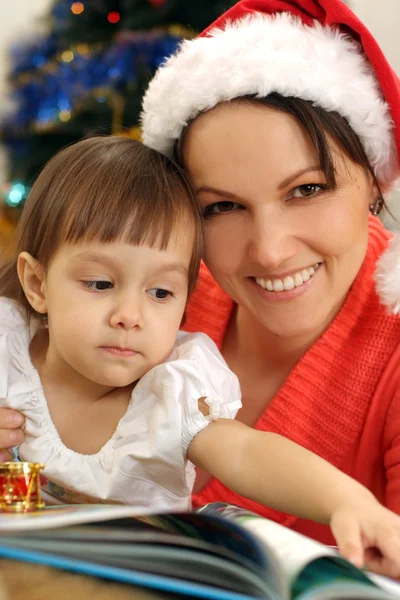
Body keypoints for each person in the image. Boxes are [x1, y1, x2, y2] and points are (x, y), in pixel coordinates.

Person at [1, 136, 400, 575]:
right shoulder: (8, 348)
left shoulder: (169, 395)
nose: (129, 316)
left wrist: (347, 502)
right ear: (37, 285)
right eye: (99, 284)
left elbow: (247, 452)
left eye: (160, 292)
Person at [143, 0, 400, 547]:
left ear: (375, 181)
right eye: (221, 207)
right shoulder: (156, 300)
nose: (271, 252)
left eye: (306, 190)